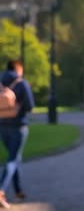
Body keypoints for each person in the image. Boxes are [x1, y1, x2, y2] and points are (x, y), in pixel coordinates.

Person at [0, 60, 35, 208]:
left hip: (2, 125)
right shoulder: (21, 83)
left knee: (13, 157)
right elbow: (30, 105)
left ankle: (18, 190)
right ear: (18, 68)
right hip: (18, 126)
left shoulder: (1, 82)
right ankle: (1, 190)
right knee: (13, 160)